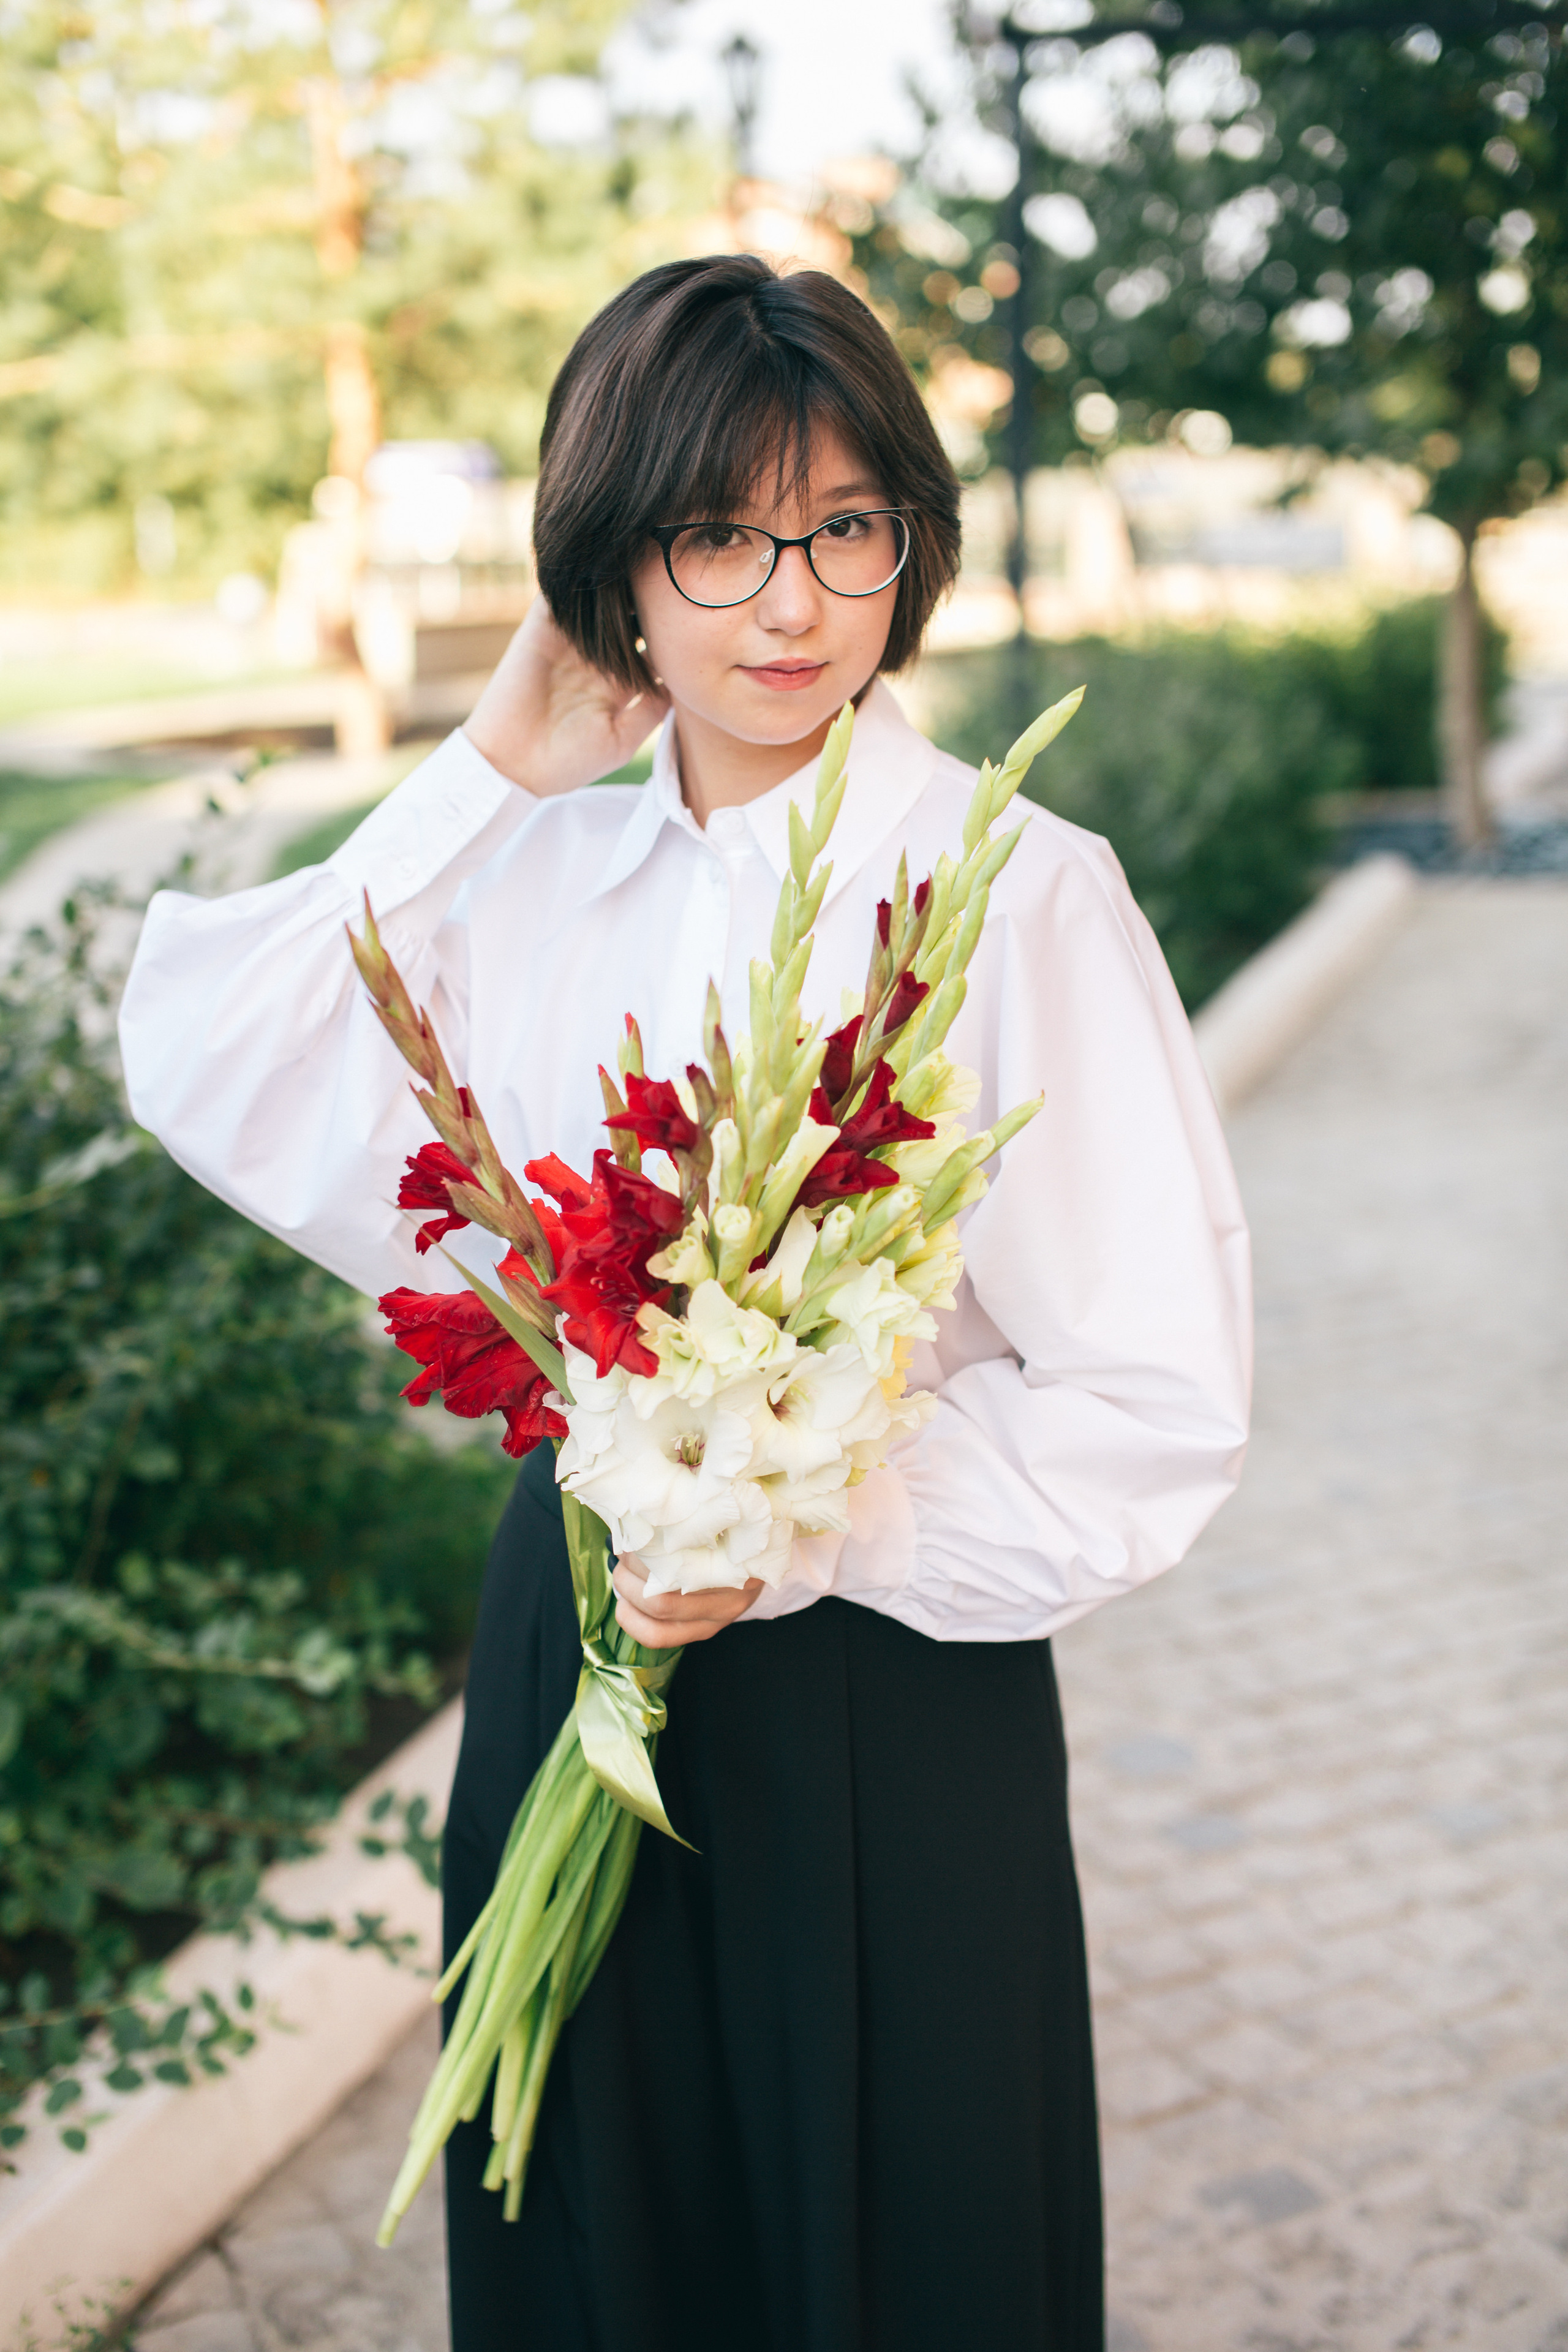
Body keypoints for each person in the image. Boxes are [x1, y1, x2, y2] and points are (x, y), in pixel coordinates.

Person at [119, 254, 1251, 2352]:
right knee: (590, 2256)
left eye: (842, 528)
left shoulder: (1014, 887)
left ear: (909, 546)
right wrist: (490, 759)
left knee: (903, 2262)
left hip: (893, 1694)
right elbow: (208, 1063)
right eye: (716, 534)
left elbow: (1155, 1390)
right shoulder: (529, 870)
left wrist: (809, 1517)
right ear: (616, 565)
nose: (791, 599)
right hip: (569, 1641)